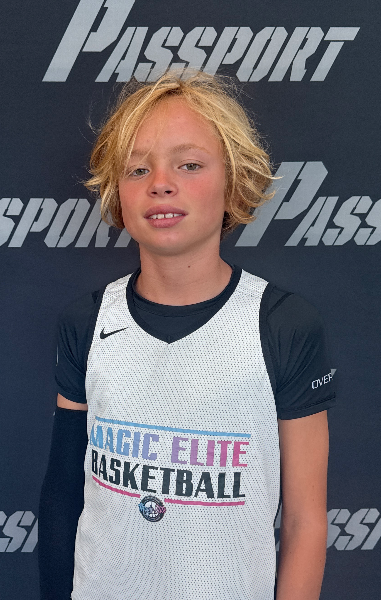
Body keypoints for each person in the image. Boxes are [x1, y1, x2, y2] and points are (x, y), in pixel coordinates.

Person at [38, 72, 335, 600]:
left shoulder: (284, 324)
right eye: (137, 169)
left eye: (189, 164)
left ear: (233, 180)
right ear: (118, 192)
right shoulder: (87, 320)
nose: (161, 183)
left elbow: (304, 522)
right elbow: (62, 497)